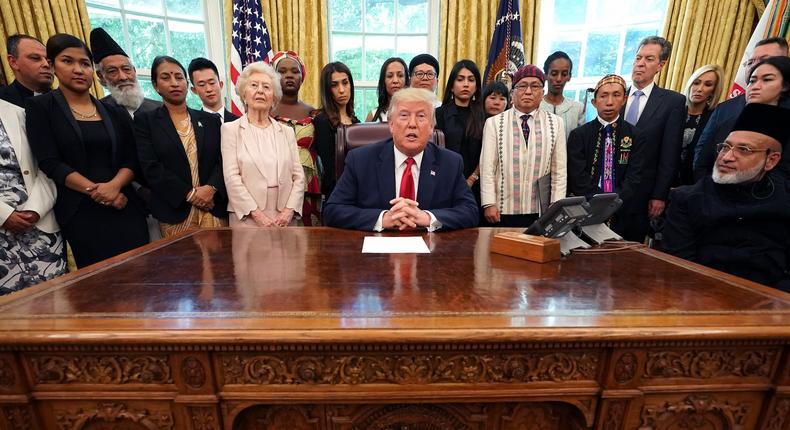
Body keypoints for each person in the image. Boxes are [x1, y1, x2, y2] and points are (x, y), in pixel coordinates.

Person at [26, 34, 148, 268]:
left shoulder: (113, 109)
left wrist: (113, 188)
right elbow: (50, 162)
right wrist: (98, 192)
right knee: (101, 287)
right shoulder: (41, 107)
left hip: (125, 205)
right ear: (52, 65)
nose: (78, 70)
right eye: (67, 61)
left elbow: (131, 158)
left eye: (84, 63)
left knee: (142, 279)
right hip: (82, 212)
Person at [664, 103, 790, 292]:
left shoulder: (785, 200)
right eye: (725, 147)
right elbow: (680, 268)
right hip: (702, 297)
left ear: (771, 160)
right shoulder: (688, 199)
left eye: (744, 150)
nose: (727, 157)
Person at [323, 88, 478, 231]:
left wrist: (427, 217)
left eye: (421, 116)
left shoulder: (450, 163)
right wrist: (382, 218)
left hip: (432, 254)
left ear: (432, 127)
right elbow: (333, 210)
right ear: (391, 124)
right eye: (404, 115)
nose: (412, 124)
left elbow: (470, 211)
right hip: (376, 254)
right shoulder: (360, 160)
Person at [134, 56, 228, 238]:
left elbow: (222, 159)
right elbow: (150, 167)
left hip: (213, 208)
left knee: (220, 265)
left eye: (179, 77)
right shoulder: (146, 121)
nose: (174, 83)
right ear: (155, 85)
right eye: (165, 78)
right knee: (183, 266)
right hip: (175, 211)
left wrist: (212, 188)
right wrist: (191, 194)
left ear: (187, 83)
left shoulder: (210, 121)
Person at [480, 65, 567, 227]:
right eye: (522, 86)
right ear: (513, 92)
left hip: (541, 209)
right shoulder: (494, 123)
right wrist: (489, 203)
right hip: (502, 209)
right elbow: (487, 169)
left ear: (542, 92)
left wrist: (556, 205)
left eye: (535, 86)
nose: (528, 91)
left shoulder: (556, 123)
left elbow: (559, 170)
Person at [222, 62, 305, 228]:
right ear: (244, 95)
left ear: (273, 97)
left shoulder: (287, 131)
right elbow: (232, 178)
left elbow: (299, 176)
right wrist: (258, 216)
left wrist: (289, 212)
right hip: (247, 217)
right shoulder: (230, 129)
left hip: (285, 218)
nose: (260, 90)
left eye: (266, 87)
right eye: (254, 85)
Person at [693, 37, 790, 181]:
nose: (754, 66)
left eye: (765, 60)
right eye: (750, 62)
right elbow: (702, 159)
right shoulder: (725, 109)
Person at [566, 75, 647, 241]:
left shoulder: (636, 135)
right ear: (594, 102)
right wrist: (598, 203)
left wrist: (614, 202)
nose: (609, 102)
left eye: (616, 95)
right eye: (603, 96)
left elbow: (635, 176)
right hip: (586, 209)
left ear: (624, 99)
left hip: (622, 209)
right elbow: (577, 176)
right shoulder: (579, 135)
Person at [621, 36, 686, 240]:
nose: (640, 63)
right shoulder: (615, 95)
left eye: (649, 59)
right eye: (638, 57)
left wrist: (659, 195)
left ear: (661, 64)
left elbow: (670, 153)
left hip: (642, 194)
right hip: (608, 191)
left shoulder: (672, 102)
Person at [0, 98, 66, 294]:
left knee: (56, 301)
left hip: (38, 224)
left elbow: (47, 165)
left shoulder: (18, 112)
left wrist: (35, 209)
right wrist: (4, 215)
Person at [270, 51, 321, 226]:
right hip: (276, 183)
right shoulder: (264, 113)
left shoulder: (314, 113)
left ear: (302, 76)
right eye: (282, 71)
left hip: (310, 184)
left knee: (310, 241)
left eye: (294, 71)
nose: (289, 75)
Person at [435, 59, 485, 208]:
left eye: (471, 80)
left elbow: (488, 153)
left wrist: (472, 178)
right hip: (444, 182)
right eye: (460, 79)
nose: (465, 84)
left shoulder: (484, 116)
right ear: (451, 86)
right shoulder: (439, 114)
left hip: (476, 184)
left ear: (476, 87)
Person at [89, 28, 161, 118]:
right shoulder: (97, 112)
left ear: (134, 71)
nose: (123, 77)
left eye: (126, 69)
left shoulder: (159, 109)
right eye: (112, 71)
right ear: (101, 75)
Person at [313, 62, 360, 199]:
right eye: (334, 85)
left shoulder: (356, 121)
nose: (341, 90)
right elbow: (329, 169)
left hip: (358, 191)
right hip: (336, 194)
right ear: (327, 90)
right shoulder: (322, 121)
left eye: (345, 83)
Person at [677, 64, 723, 185]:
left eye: (707, 85)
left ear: (714, 91)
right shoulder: (674, 110)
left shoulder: (716, 118)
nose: (699, 89)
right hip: (662, 181)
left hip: (693, 183)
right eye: (696, 83)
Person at [540, 51, 585, 138]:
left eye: (564, 74)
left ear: (569, 77)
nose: (559, 79)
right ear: (545, 75)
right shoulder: (535, 106)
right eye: (554, 74)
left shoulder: (577, 108)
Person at [0, 34, 52, 108]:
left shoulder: (65, 100)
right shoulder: (2, 101)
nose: (46, 64)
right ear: (13, 62)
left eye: (48, 60)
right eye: (35, 58)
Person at [187, 57, 238, 123]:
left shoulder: (238, 122)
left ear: (221, 84)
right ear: (194, 90)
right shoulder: (193, 125)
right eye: (202, 85)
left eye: (212, 83)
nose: (209, 89)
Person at [366, 57, 409, 122]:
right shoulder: (373, 115)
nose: (395, 81)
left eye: (400, 75)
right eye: (390, 76)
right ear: (384, 81)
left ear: (406, 81)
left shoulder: (415, 113)